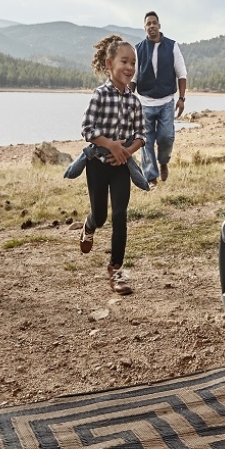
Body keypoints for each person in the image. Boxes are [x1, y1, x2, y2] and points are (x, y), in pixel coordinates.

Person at [79, 34, 146, 295]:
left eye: (133, 63)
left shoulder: (134, 101)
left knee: (120, 216)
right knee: (101, 215)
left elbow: (141, 134)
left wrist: (126, 151)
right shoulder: (99, 96)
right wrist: (111, 145)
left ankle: (116, 270)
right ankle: (89, 226)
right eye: (124, 62)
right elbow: (87, 129)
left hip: (122, 166)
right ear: (110, 64)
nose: (130, 67)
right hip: (97, 164)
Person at [132, 11, 187, 186]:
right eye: (148, 23)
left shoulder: (172, 46)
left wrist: (182, 98)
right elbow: (133, 78)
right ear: (145, 27)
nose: (151, 26)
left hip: (166, 102)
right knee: (145, 140)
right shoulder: (138, 49)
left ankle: (163, 161)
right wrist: (128, 100)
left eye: (154, 23)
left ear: (159, 25)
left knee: (166, 137)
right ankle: (151, 177)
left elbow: (182, 74)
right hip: (145, 102)